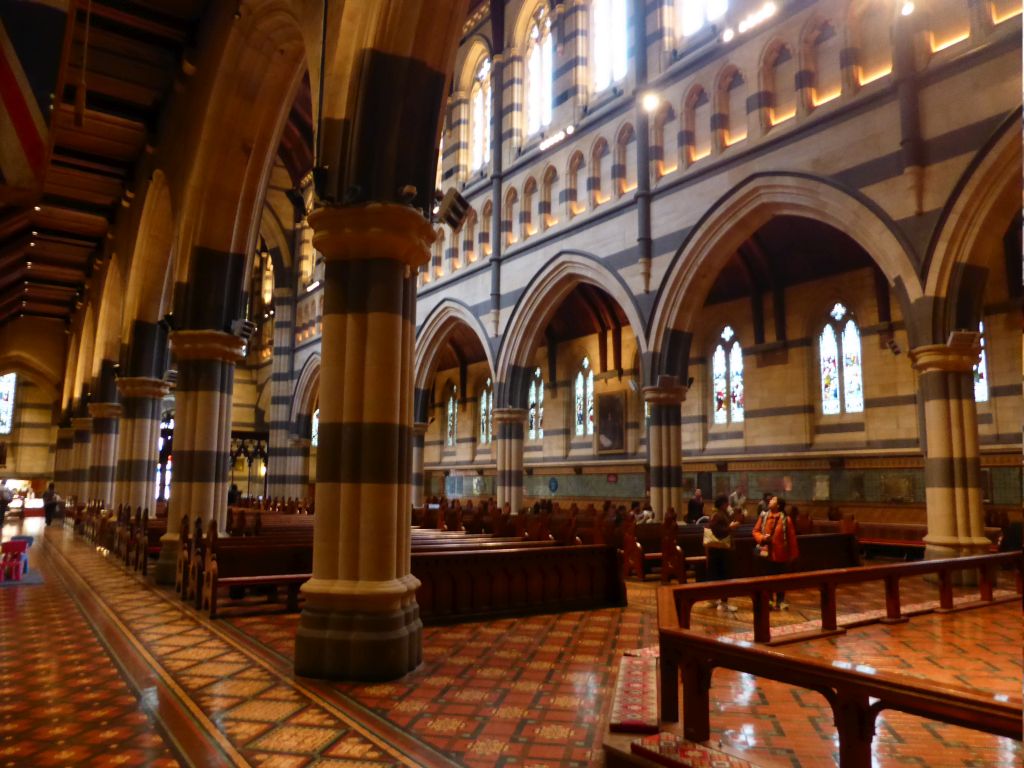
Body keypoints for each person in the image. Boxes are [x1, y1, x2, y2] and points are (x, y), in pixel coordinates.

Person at [752, 495, 799, 610]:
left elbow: (791, 537)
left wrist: (793, 554)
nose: (770, 501)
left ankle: (780, 600)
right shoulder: (764, 516)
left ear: (778, 505)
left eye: (773, 500)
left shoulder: (785, 519)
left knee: (780, 579)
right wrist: (762, 538)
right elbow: (755, 531)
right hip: (765, 554)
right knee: (766, 577)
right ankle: (768, 600)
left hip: (780, 554)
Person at [704, 494, 740, 612]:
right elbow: (717, 531)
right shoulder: (718, 515)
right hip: (719, 550)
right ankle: (722, 603)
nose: (728, 505)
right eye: (726, 503)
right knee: (723, 575)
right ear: (723, 504)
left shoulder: (721, 514)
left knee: (717, 575)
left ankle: (716, 599)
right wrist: (730, 528)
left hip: (719, 550)